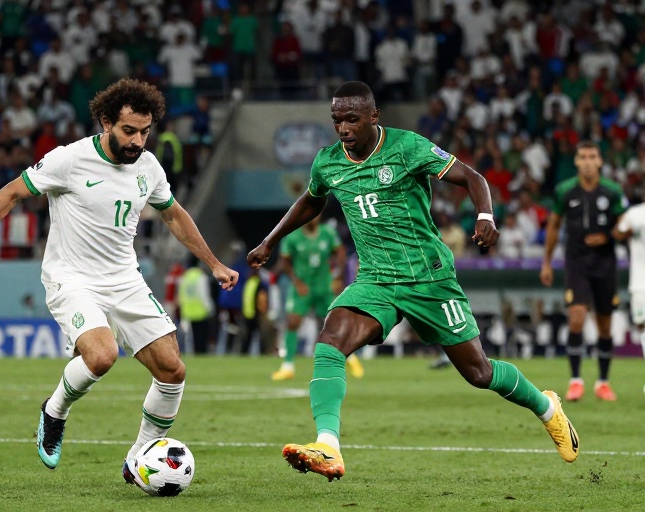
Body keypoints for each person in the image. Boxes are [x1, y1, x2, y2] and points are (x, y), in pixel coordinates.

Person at [247, 81, 578, 482]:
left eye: (352, 119)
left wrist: (485, 216)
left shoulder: (408, 147)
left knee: (479, 373)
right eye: (337, 120)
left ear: (374, 116)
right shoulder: (328, 162)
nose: (344, 128)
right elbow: (311, 201)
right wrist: (270, 240)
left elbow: (473, 177)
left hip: (429, 278)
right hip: (376, 279)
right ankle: (328, 444)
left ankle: (547, 408)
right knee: (331, 340)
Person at [0, 78, 239, 474]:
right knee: (102, 355)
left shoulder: (149, 167)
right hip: (71, 277)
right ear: (106, 122)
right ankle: (54, 412)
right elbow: (12, 192)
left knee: (173, 371)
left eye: (145, 132)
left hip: (125, 279)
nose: (138, 141)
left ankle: (138, 458)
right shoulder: (69, 160)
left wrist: (213, 263)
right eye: (129, 130)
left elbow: (173, 214)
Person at [540, 141, 627, 402]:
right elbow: (554, 226)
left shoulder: (612, 191)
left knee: (604, 324)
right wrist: (546, 262)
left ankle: (603, 382)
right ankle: (576, 381)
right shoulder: (565, 190)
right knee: (576, 316)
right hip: (576, 263)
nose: (587, 162)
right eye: (583, 157)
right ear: (576, 162)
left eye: (592, 157)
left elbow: (624, 225)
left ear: (600, 161)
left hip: (605, 263)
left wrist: (608, 237)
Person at [271, 215, 364, 381]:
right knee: (292, 322)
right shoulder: (293, 236)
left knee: (335, 323)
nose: (313, 218)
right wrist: (296, 282)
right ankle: (287, 366)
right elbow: (285, 261)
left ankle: (350, 357)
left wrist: (338, 277)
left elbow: (340, 252)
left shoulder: (327, 233)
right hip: (303, 287)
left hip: (324, 286)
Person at [613, 200, 645, 391]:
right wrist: (626, 231)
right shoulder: (635, 213)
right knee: (643, 325)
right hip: (641, 282)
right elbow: (617, 233)